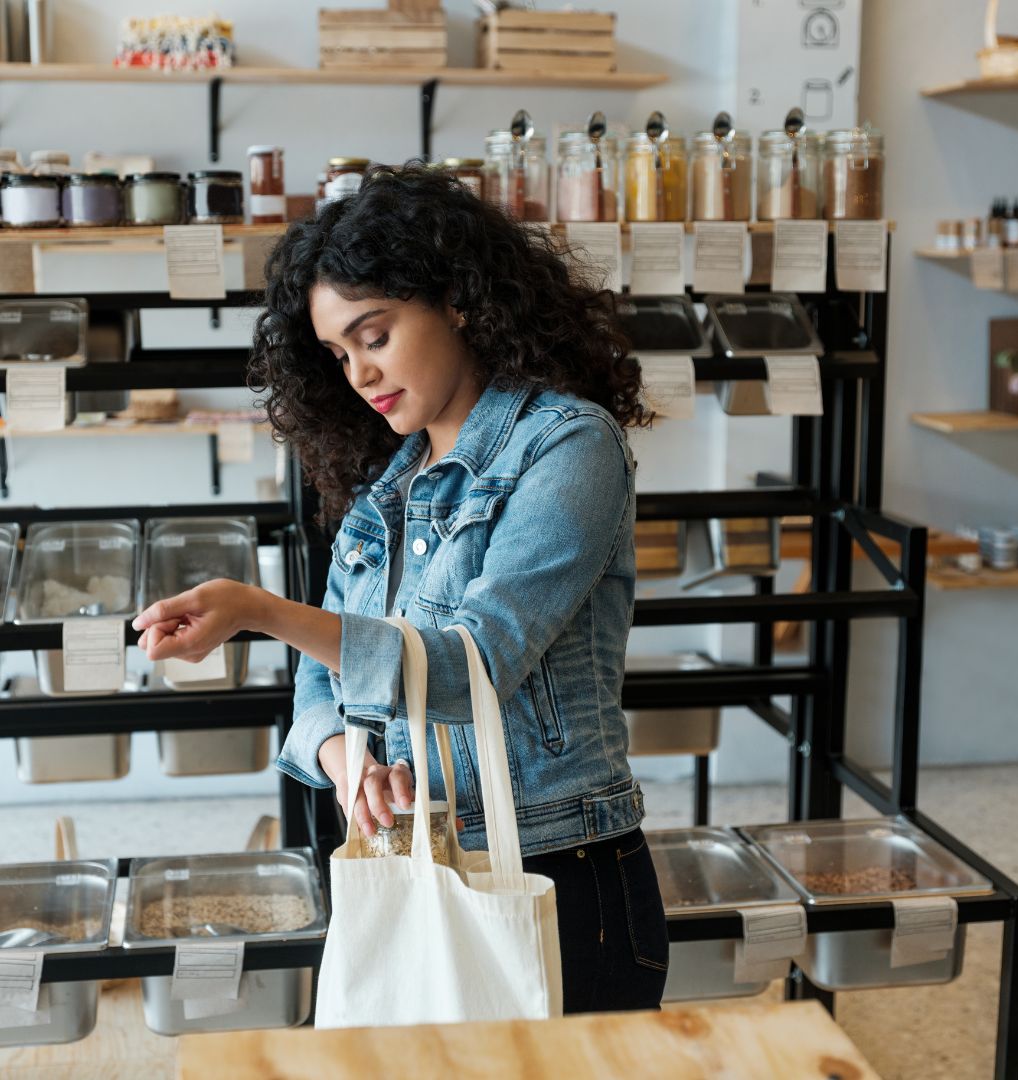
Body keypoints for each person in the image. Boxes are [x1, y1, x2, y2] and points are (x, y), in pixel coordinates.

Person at [132, 163, 669, 1012]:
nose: (359, 375)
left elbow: (470, 666)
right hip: (416, 861)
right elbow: (321, 687)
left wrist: (260, 612)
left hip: (559, 874)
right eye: (339, 354)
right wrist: (354, 766)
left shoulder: (570, 448)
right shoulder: (387, 491)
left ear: (457, 299)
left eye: (374, 336)